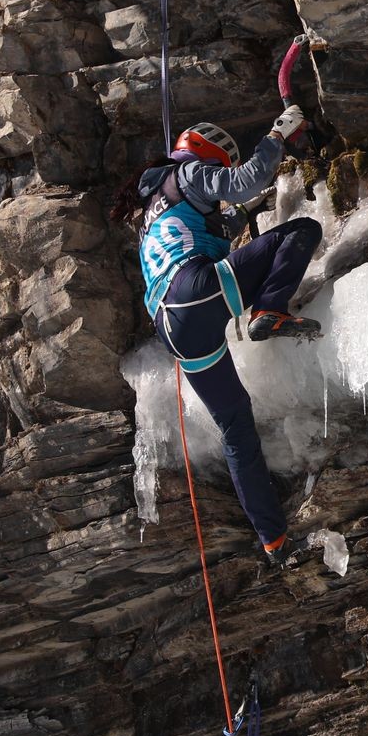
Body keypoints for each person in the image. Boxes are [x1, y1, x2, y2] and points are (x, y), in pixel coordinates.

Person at [134, 106, 323, 565]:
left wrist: (240, 217)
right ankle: (271, 312)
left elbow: (215, 225)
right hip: (192, 290)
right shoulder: (189, 172)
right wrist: (276, 135)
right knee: (301, 231)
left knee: (236, 425)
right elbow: (243, 183)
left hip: (172, 326)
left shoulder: (155, 209)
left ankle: (272, 540)